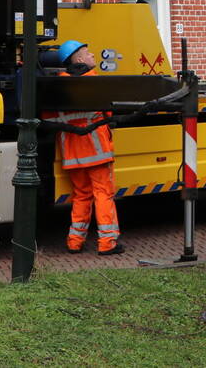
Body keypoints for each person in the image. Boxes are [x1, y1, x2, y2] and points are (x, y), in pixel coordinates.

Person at [53, 39, 124, 255]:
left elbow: (52, 116)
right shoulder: (95, 83)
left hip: (72, 154)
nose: (93, 55)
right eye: (88, 52)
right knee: (103, 194)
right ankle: (107, 243)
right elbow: (108, 113)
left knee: (81, 196)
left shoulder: (59, 85)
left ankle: (74, 241)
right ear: (80, 58)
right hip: (96, 152)